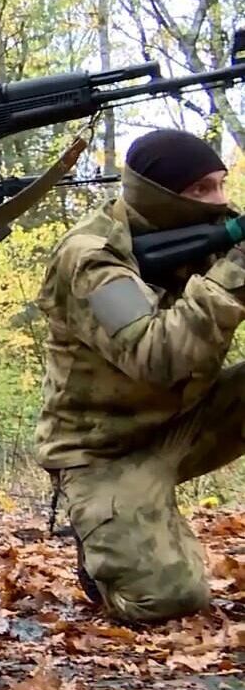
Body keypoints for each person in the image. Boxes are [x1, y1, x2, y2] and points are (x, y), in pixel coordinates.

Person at [37, 128, 237, 623]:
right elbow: (155, 354)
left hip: (189, 419)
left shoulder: (216, 233)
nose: (219, 202)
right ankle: (111, 548)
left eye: (221, 184)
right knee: (168, 600)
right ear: (158, 196)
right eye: (201, 190)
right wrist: (234, 277)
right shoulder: (91, 257)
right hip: (104, 451)